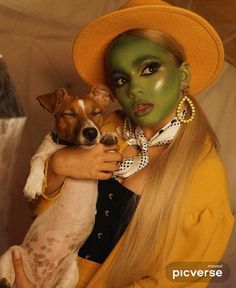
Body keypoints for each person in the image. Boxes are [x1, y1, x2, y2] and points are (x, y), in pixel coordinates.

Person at [13, 0, 234, 287]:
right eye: (120, 79)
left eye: (149, 68)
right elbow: (39, 210)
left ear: (183, 75)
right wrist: (59, 164)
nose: (134, 88)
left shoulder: (205, 176)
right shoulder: (106, 128)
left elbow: (183, 278)